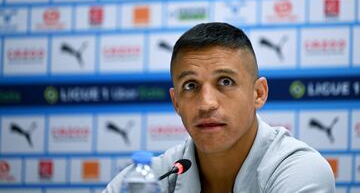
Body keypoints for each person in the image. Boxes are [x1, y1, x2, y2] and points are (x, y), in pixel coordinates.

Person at [103, 22, 335, 193]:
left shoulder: (299, 170)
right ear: (176, 103)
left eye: (225, 82)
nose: (206, 103)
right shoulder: (148, 179)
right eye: (191, 85)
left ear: (259, 93)